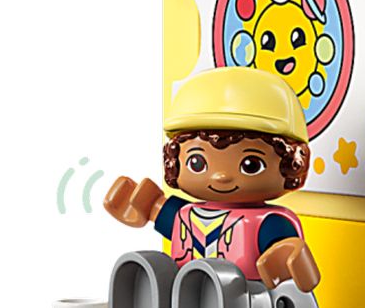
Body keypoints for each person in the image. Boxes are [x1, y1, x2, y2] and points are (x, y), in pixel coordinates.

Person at [104, 67, 321, 293]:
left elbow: (289, 253)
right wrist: (140, 204)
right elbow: (158, 210)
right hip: (184, 298)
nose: (221, 176)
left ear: (294, 163)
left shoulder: (268, 223)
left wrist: (290, 257)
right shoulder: (186, 215)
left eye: (250, 164)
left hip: (245, 300)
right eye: (197, 162)